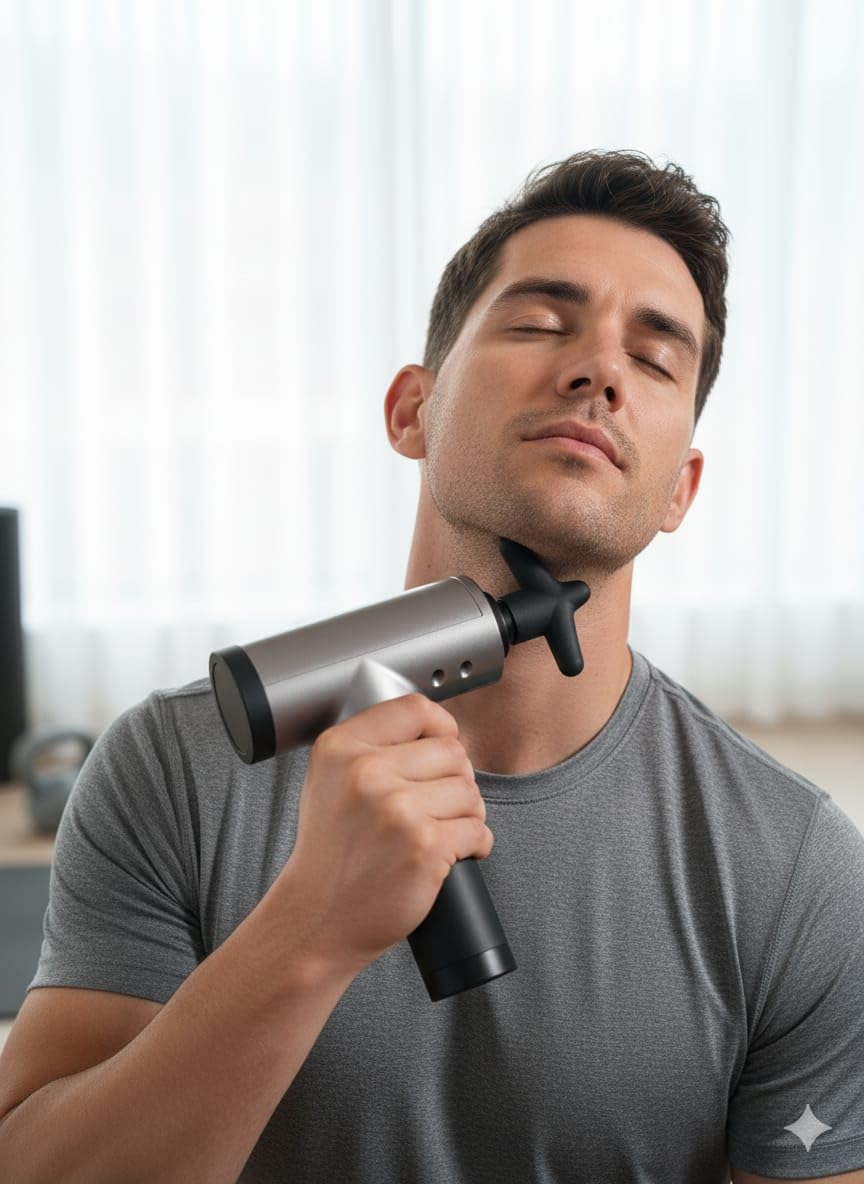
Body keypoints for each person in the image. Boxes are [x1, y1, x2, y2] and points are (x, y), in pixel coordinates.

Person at [0, 149, 862, 1184]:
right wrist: (311, 930)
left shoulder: (797, 869)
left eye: (656, 354)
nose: (599, 369)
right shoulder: (174, 767)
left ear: (681, 488)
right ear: (413, 407)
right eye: (541, 321)